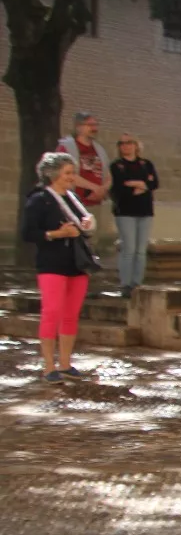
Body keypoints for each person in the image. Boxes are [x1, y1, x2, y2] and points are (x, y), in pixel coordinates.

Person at [22, 153, 97, 382]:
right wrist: (57, 233)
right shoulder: (38, 199)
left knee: (70, 315)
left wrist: (86, 224)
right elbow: (28, 233)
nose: (71, 177)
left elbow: (85, 224)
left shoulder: (73, 199)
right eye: (67, 173)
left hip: (76, 263)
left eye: (72, 172)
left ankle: (65, 363)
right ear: (52, 174)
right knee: (51, 312)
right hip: (51, 264)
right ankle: (48, 366)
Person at [109, 133, 158, 297]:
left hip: (145, 211)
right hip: (125, 211)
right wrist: (142, 186)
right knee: (128, 248)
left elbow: (154, 183)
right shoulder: (117, 166)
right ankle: (126, 284)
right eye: (121, 143)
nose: (125, 146)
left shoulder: (146, 164)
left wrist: (138, 184)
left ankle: (137, 282)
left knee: (140, 250)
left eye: (129, 143)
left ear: (136, 145)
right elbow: (118, 188)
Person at [57, 112, 109, 222]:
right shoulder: (65, 147)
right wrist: (94, 188)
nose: (94, 128)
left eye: (96, 125)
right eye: (90, 125)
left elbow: (108, 175)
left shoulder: (99, 149)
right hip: (73, 204)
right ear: (78, 127)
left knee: (93, 238)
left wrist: (102, 190)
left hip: (95, 205)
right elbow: (65, 174)